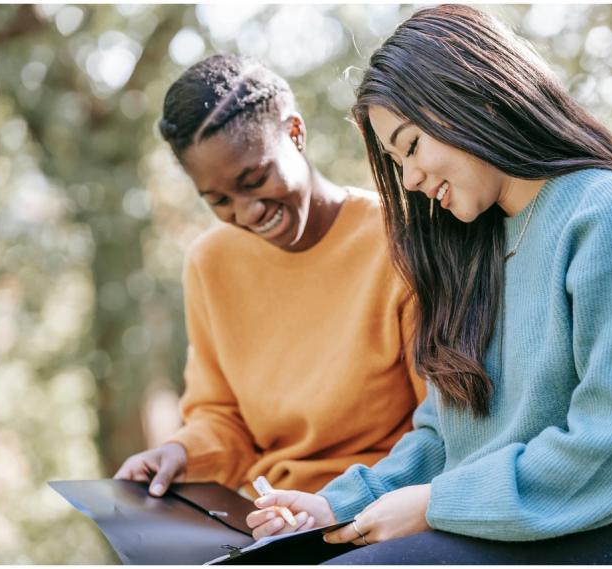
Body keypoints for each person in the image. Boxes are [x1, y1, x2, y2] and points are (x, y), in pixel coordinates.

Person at [246, 5, 612, 564]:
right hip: (492, 523)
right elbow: (446, 437)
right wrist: (335, 506)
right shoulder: (471, 249)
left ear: (476, 99)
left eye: (412, 146)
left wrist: (434, 504)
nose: (411, 181)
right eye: (396, 162)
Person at [113, 54, 425, 514]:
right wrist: (180, 453)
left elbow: (441, 429)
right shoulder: (210, 263)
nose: (247, 213)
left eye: (255, 179)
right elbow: (223, 419)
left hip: (382, 509)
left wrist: (336, 506)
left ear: (295, 133)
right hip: (274, 518)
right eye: (218, 200)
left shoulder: (398, 242)